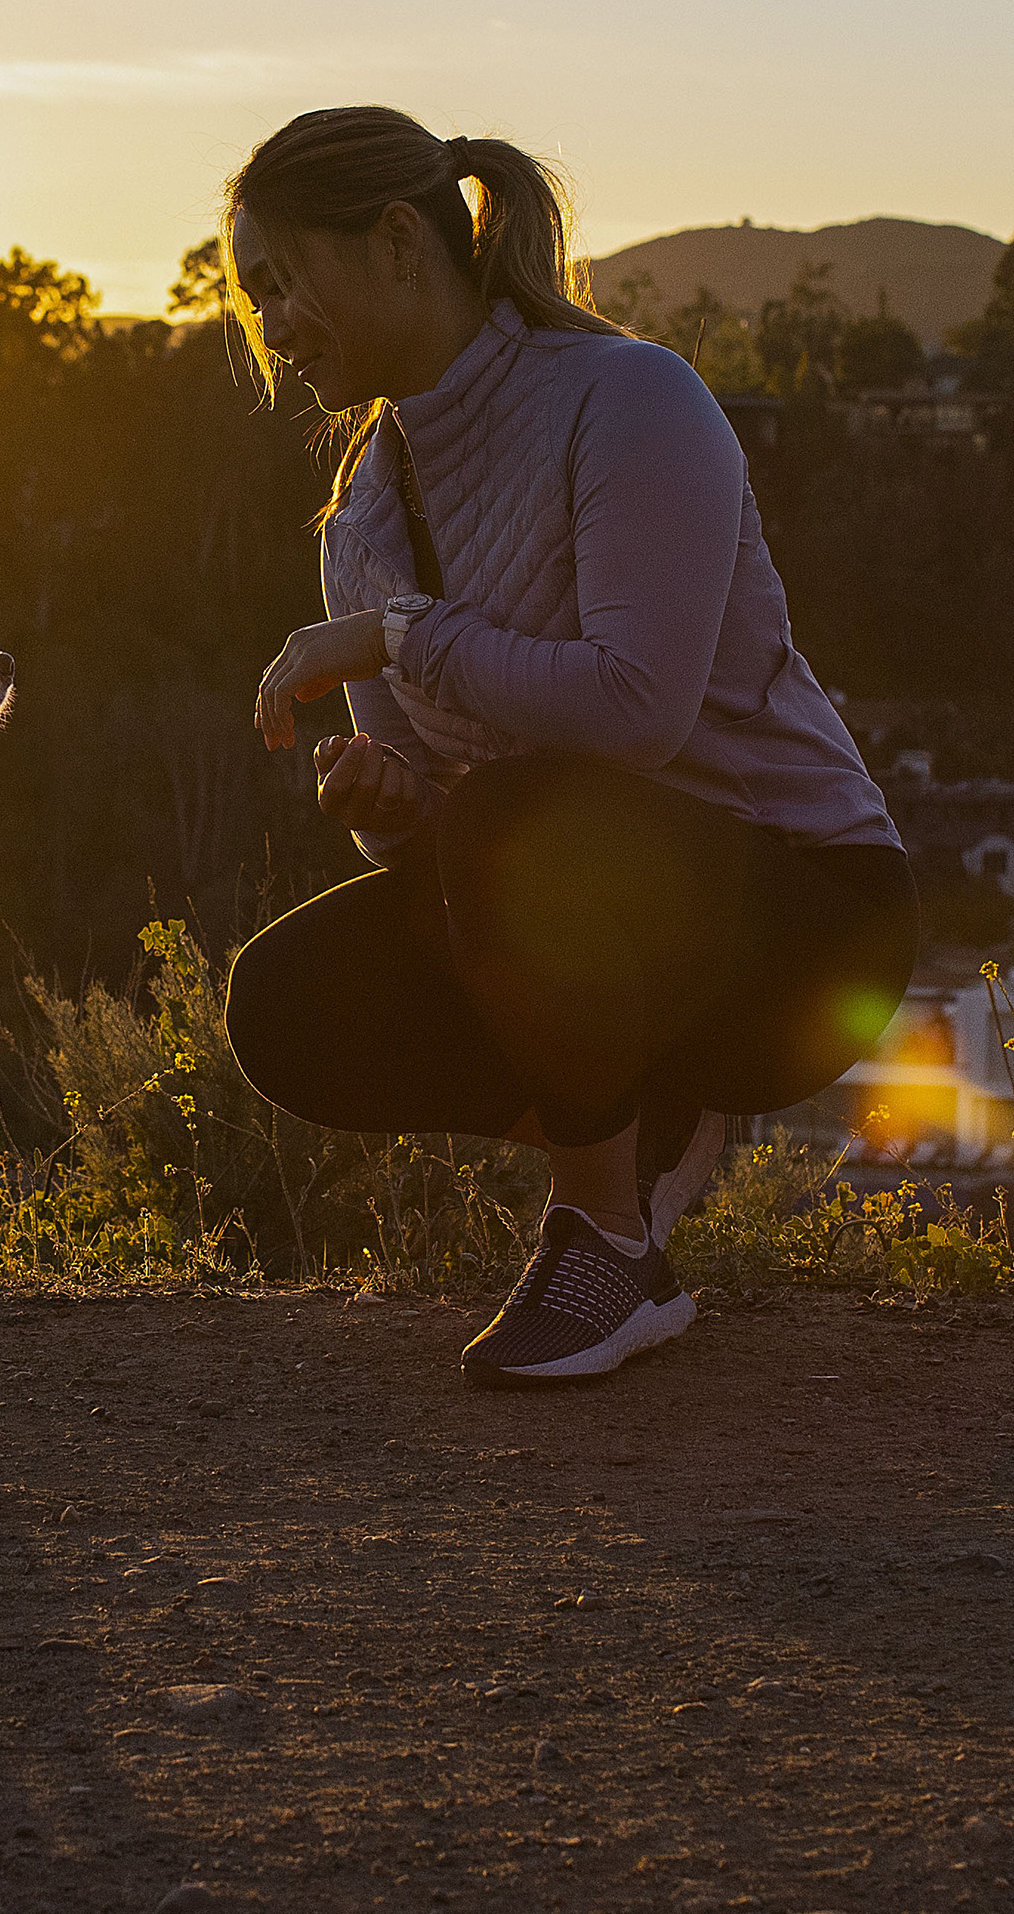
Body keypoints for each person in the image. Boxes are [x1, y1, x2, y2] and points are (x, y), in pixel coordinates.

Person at [220, 106, 917, 1388]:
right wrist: (383, 798)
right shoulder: (359, 523)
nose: (267, 322)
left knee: (521, 815)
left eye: (281, 280)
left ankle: (607, 1240)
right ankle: (643, 1121)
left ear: (393, 243)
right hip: (596, 910)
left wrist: (396, 639)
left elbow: (634, 709)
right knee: (281, 1001)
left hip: (808, 917)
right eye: (251, 296)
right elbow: (437, 828)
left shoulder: (631, 398)